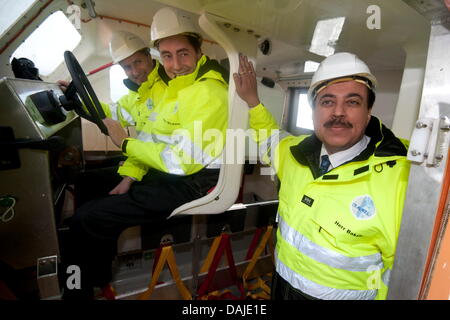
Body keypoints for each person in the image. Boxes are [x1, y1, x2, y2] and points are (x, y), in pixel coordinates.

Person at [62, 6, 229, 299]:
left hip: (192, 182)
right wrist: (80, 104)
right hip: (166, 170)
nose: (175, 65)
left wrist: (126, 147)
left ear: (198, 51)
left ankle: (78, 291)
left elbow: (180, 161)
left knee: (86, 218)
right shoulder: (174, 87)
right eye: (167, 56)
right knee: (87, 185)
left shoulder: (204, 92)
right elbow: (142, 128)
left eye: (183, 54)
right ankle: (96, 273)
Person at [234, 53, 410, 300]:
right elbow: (268, 137)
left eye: (352, 102)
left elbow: (400, 273)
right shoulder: (294, 153)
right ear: (314, 111)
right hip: (282, 287)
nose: (338, 112)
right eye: (327, 101)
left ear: (368, 112)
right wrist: (253, 101)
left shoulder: (400, 179)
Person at [58, 31, 168, 203]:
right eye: (127, 67)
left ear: (148, 55)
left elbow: (155, 140)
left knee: (86, 185)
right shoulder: (137, 93)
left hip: (161, 166)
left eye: (137, 62)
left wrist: (130, 175)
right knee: (87, 175)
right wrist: (78, 98)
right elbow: (112, 114)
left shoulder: (167, 88)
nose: (135, 72)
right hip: (146, 157)